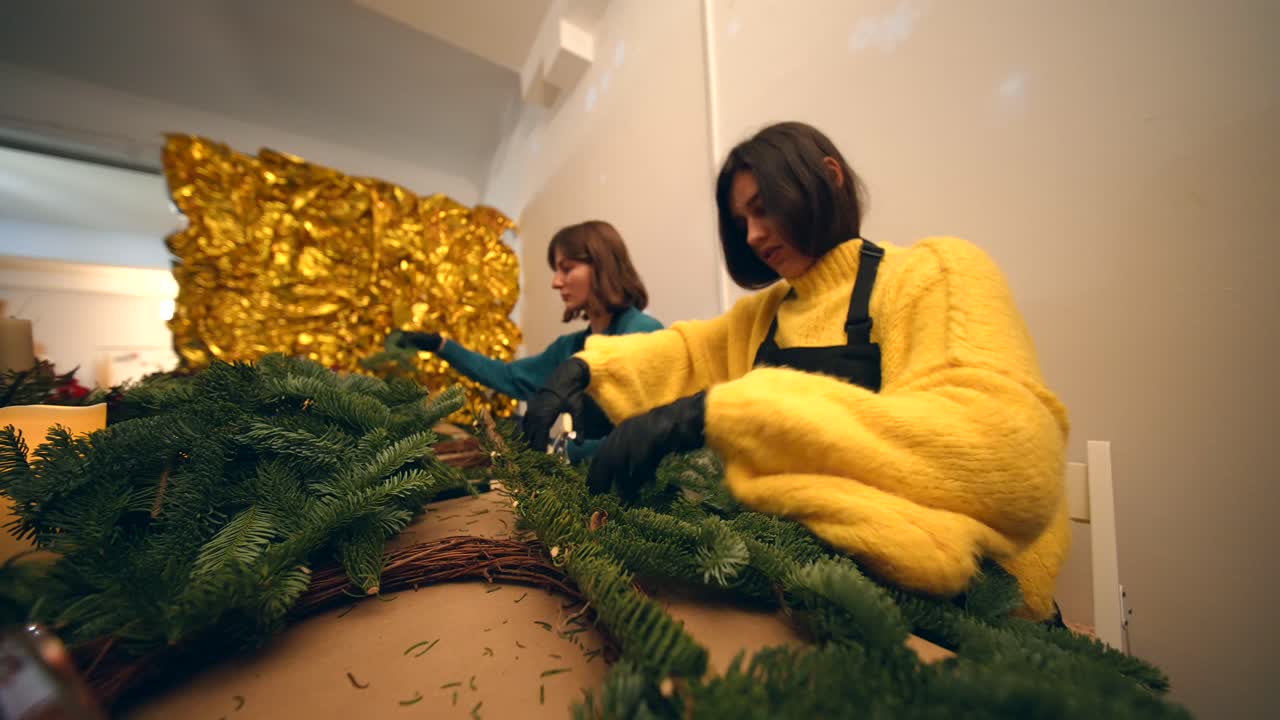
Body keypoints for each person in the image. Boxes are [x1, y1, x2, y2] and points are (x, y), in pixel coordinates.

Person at [523, 122, 1070, 621]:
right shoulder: (764, 316)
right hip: (805, 597)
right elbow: (683, 353)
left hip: (965, 619)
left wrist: (722, 412)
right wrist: (582, 369)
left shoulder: (935, 275)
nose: (755, 236)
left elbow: (1009, 455)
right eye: (742, 222)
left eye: (764, 209)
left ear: (828, 178)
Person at [393, 220, 663, 462]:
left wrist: (562, 451)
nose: (556, 282)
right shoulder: (568, 347)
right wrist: (442, 345)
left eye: (566, 269)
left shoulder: (643, 333)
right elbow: (510, 377)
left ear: (603, 267)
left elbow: (648, 435)